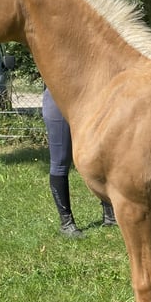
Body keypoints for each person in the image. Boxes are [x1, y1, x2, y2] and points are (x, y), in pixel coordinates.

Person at [43, 88, 117, 238]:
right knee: (60, 162)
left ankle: (110, 214)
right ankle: (66, 223)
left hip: (89, 94)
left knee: (102, 156)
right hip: (58, 96)